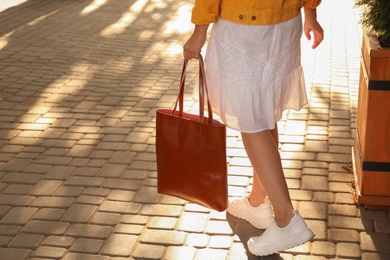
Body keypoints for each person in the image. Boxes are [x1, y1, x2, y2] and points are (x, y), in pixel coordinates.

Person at [183, 0, 324, 256]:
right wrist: (310, 13)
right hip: (285, 22)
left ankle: (285, 217)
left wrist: (199, 31)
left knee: (251, 121)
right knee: (263, 114)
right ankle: (257, 203)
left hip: (244, 26)